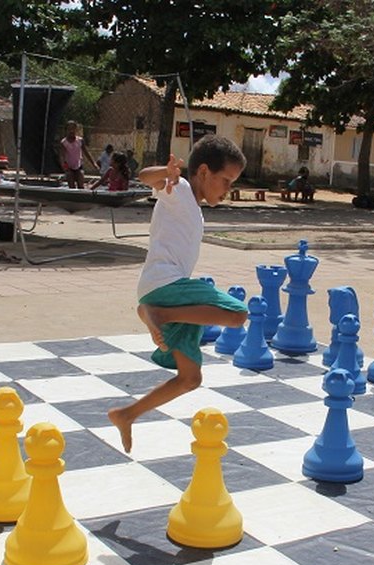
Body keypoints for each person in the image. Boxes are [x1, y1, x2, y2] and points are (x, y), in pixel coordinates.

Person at [106, 135, 250, 453]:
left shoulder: (193, 209)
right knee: (238, 315)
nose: (227, 190)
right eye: (225, 181)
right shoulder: (179, 189)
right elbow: (145, 177)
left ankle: (127, 415)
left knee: (190, 378)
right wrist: (167, 173)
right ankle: (155, 313)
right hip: (166, 287)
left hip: (166, 290)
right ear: (202, 172)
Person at [58, 121, 97, 189]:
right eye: (69, 129)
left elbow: (86, 152)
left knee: (81, 183)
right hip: (69, 167)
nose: (71, 131)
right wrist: (65, 168)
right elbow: (62, 157)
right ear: (66, 130)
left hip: (78, 166)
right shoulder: (64, 142)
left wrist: (94, 163)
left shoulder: (80, 140)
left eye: (73, 129)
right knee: (71, 183)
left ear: (76, 130)